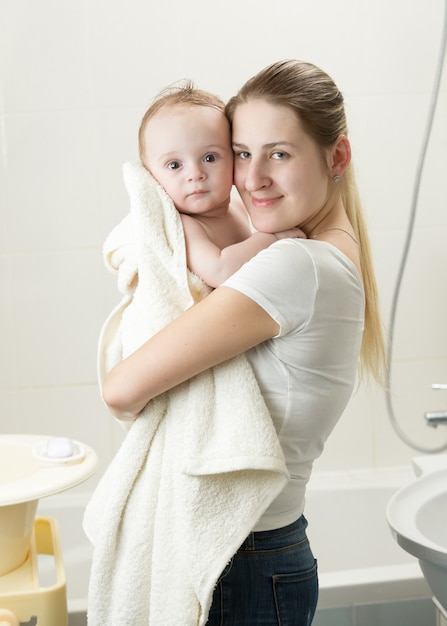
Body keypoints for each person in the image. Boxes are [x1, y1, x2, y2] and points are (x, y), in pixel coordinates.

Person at [103, 60, 386, 624]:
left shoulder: (295, 265)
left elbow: (121, 389)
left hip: (242, 558)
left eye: (279, 153)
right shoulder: (318, 256)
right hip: (262, 551)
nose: (252, 177)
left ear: (337, 156)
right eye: (242, 152)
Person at [138, 82, 305, 288]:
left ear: (234, 157)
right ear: (151, 175)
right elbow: (220, 271)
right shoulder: (187, 226)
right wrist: (273, 238)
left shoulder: (238, 205)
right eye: (174, 165)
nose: (195, 174)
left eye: (210, 158)